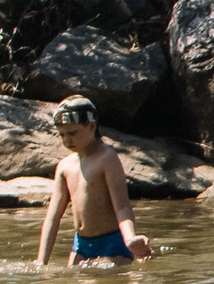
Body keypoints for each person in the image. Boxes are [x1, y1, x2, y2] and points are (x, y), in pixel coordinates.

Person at [33, 97, 152, 267]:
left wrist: (130, 238)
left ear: (91, 126)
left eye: (73, 133)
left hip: (113, 242)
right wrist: (41, 262)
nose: (67, 140)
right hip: (81, 245)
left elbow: (122, 207)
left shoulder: (107, 158)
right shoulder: (64, 166)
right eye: (62, 135)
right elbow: (52, 218)